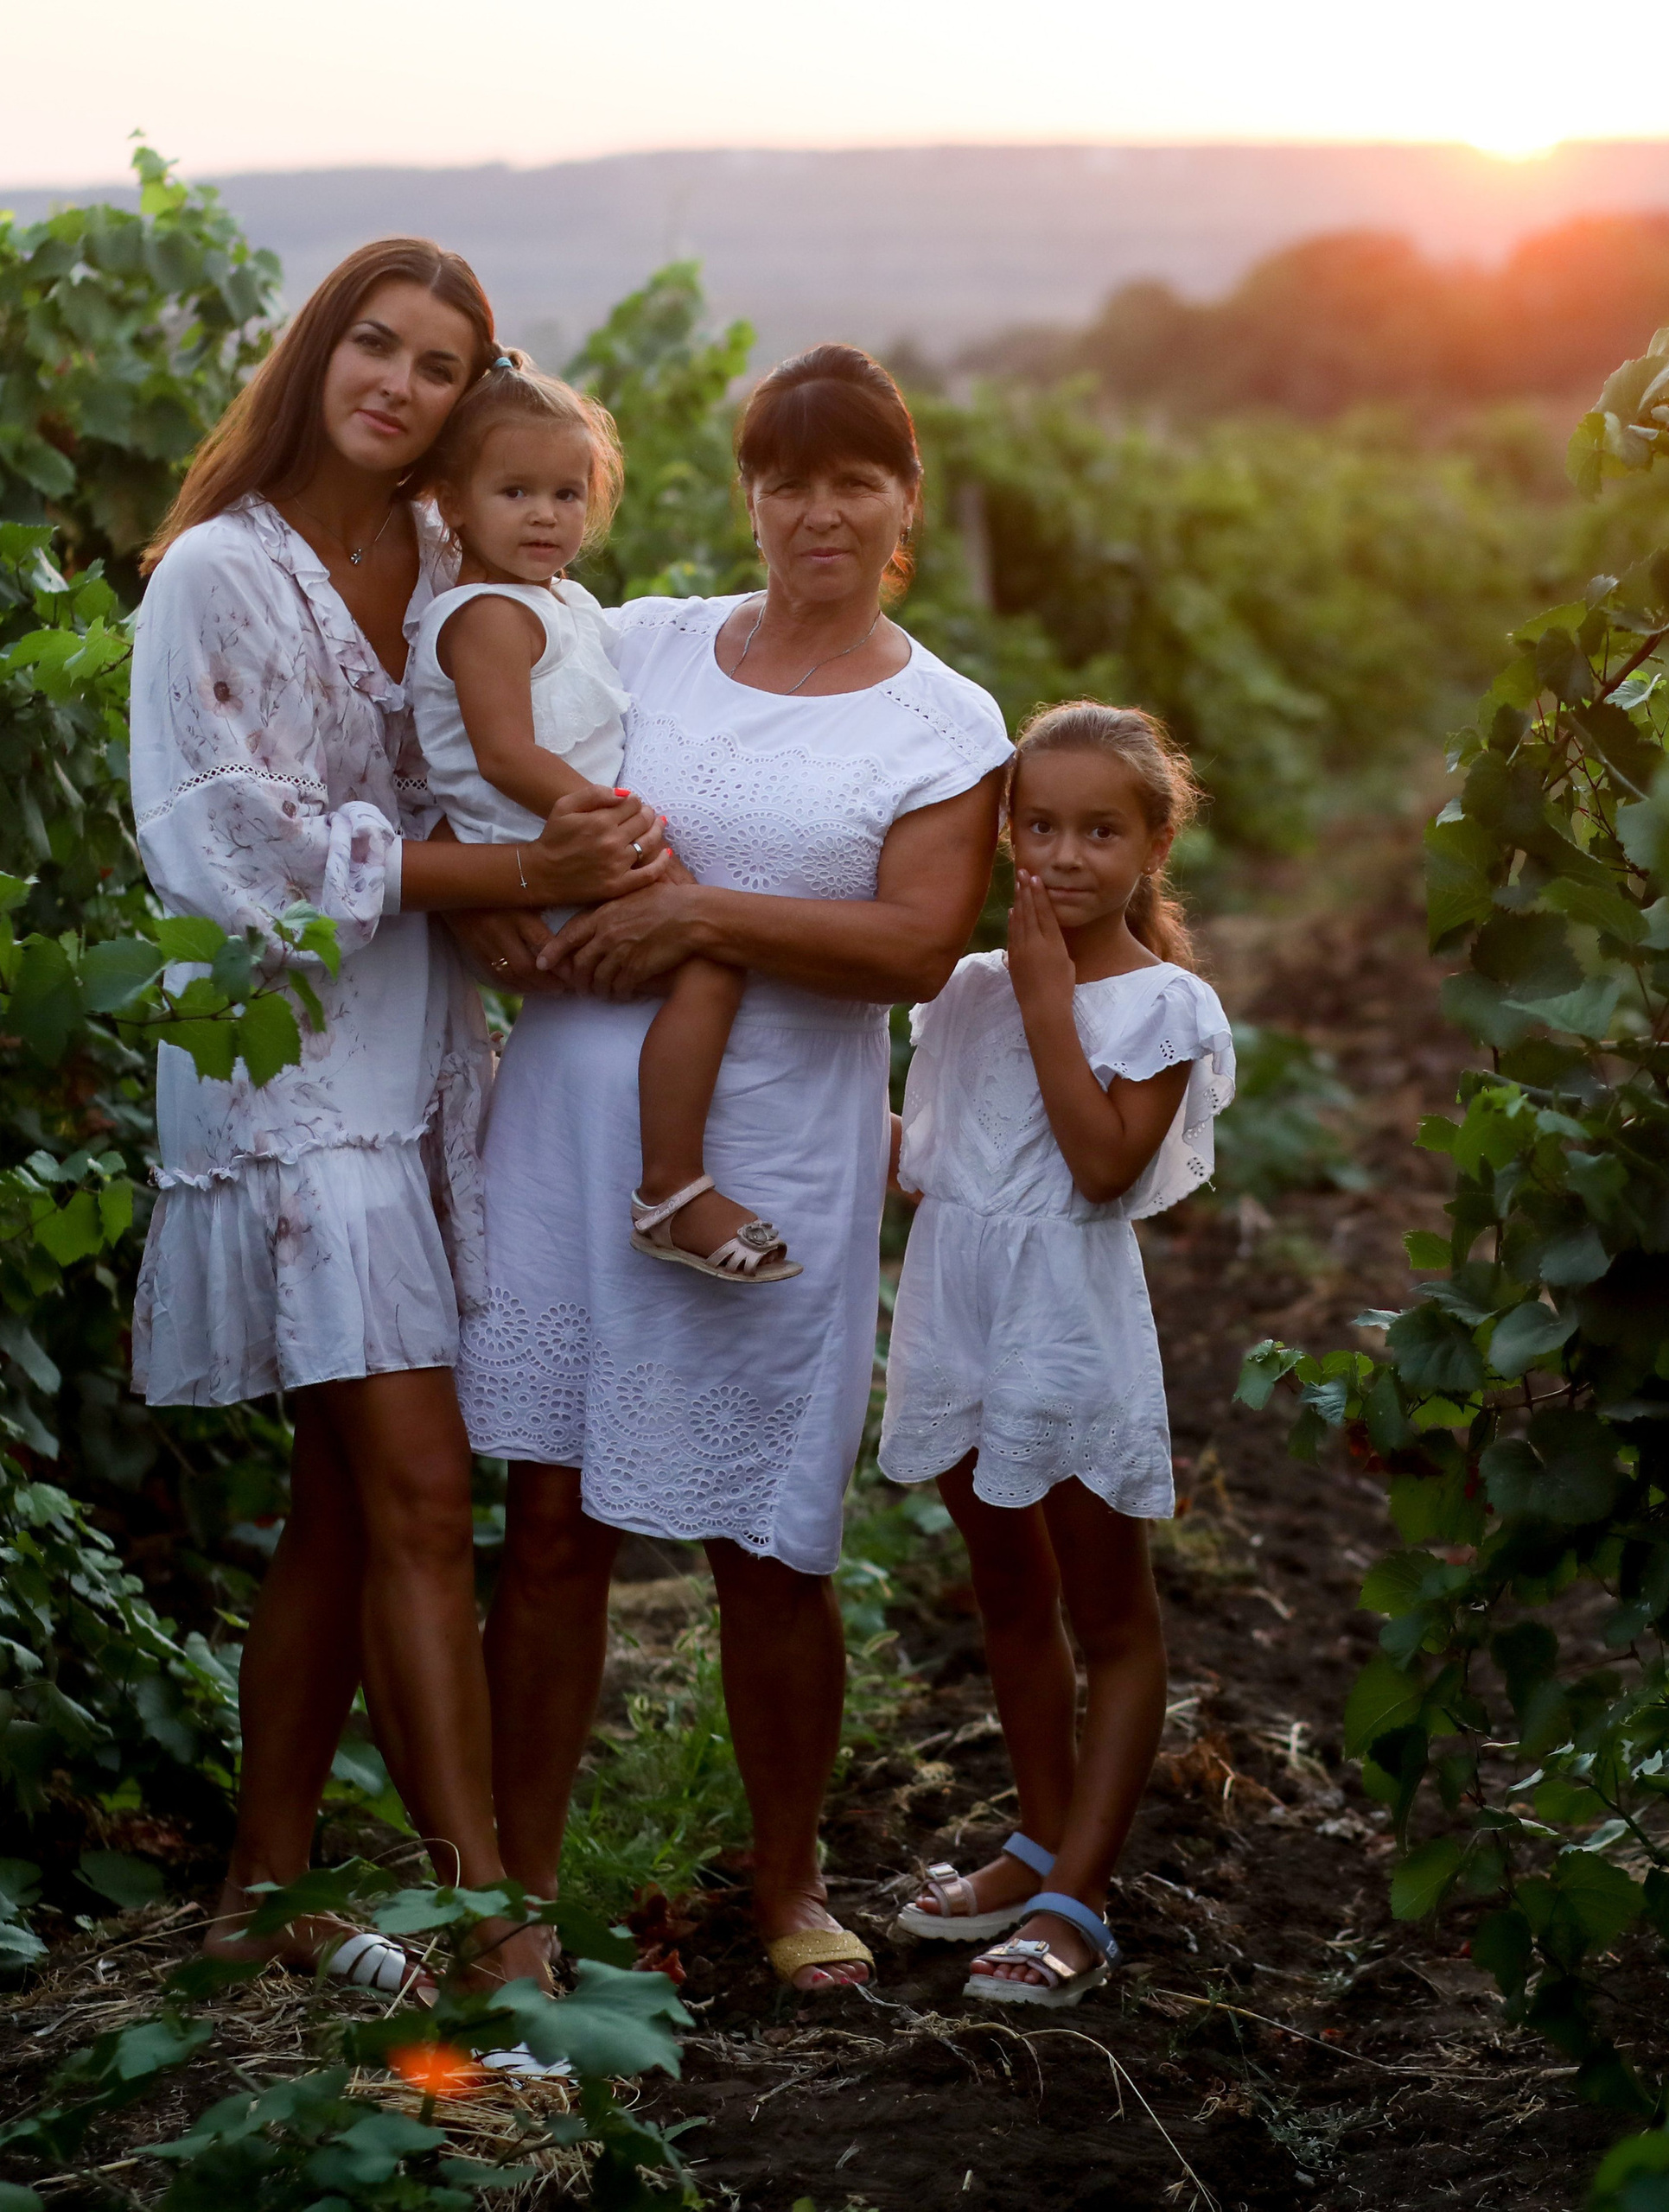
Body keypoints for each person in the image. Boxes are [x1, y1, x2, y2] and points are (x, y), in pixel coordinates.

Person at [130, 238, 665, 2009]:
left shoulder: (445, 552)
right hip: (289, 1071)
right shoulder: (214, 572)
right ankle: (486, 1924)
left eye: (441, 366)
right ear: (317, 352)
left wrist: (498, 898)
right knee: (426, 1492)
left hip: (421, 1056)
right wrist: (502, 868)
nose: (399, 383)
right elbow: (240, 856)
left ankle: (258, 1889)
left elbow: (455, 761)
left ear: (467, 406)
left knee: (341, 1508)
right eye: (375, 343)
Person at [455, 345, 1012, 1992]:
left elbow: (916, 945)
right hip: (570, 1127)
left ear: (904, 499)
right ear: (748, 495)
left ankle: (785, 1886)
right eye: (787, 477)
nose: (817, 509)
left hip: (775, 1155)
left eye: (854, 478)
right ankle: (522, 1904)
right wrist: (487, 898)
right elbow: (496, 762)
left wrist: (697, 914)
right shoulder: (649, 643)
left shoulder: (943, 717)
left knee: (770, 1548)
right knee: (547, 1524)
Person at [877, 702, 1235, 2007]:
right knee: (1008, 1596)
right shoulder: (965, 987)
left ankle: (1080, 1898)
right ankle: (1035, 1843)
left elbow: (1097, 1164)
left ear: (1154, 842)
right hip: (962, 1313)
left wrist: (1043, 994)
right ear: (1006, 832)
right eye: (1040, 825)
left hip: (1066, 1332)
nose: (1066, 855)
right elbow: (928, 1166)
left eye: (1101, 830)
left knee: (1112, 1615)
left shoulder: (1162, 1003)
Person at [408, 353, 797, 1286]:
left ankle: (687, 1170)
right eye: (515, 492)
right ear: (453, 504)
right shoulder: (486, 616)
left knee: (711, 955)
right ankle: (669, 1186)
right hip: (539, 861)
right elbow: (503, 753)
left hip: (564, 846)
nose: (547, 515)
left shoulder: (561, 601)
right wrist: (614, 823)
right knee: (712, 958)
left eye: (567, 493)